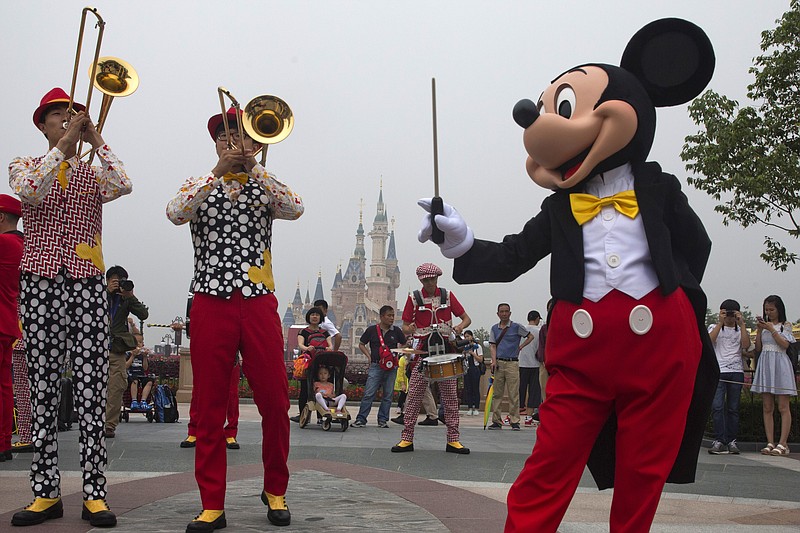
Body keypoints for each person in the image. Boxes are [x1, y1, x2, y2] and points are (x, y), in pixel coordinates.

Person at [167, 105, 303, 530]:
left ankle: (275, 488)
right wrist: (218, 170)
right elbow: (175, 212)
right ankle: (212, 502)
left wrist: (255, 166)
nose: (233, 142)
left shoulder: (265, 187)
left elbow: (296, 206)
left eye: (241, 135)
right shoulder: (200, 185)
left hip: (260, 300)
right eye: (225, 136)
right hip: (210, 300)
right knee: (208, 406)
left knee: (276, 402)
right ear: (214, 143)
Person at [9, 87, 132, 527]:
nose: (67, 120)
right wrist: (62, 147)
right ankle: (45, 493)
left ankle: (95, 492)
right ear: (42, 124)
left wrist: (96, 138)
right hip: (41, 278)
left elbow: (123, 182)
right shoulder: (25, 164)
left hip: (85, 281)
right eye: (58, 116)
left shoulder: (91, 175)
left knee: (91, 389)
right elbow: (28, 190)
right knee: (42, 387)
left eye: (71, 115)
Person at [391, 262, 471, 454]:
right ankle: (406, 439)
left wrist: (459, 328)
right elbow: (405, 325)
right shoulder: (414, 298)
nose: (429, 283)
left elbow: (466, 318)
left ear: (437, 279)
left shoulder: (448, 296)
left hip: (445, 350)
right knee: (414, 396)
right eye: (426, 280)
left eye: (432, 279)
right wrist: (409, 328)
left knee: (450, 397)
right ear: (421, 280)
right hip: (423, 352)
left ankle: (453, 440)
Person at [105, 265, 149, 438]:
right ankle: (94, 421)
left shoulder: (125, 299)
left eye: (120, 280)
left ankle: (109, 425)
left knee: (116, 387)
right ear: (107, 280)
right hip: (94, 348)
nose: (117, 284)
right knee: (94, 387)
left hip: (116, 350)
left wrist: (130, 297)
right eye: (114, 280)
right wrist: (107, 292)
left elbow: (143, 314)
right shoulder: (98, 294)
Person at [752, 295, 796, 457]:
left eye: (772, 309)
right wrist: (759, 330)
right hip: (765, 363)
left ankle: (783, 443)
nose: (769, 312)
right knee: (767, 407)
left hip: (780, 364)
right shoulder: (764, 326)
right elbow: (758, 348)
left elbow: (785, 345)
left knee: (783, 406)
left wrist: (771, 329)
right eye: (766, 310)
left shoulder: (785, 325)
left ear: (779, 309)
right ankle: (770, 441)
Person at [707, 299, 750, 455]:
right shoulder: (714, 327)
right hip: (719, 371)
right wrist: (720, 322)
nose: (730, 317)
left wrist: (742, 324)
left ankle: (731, 440)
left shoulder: (740, 330)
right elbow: (709, 341)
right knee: (717, 407)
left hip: (736, 372)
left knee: (733, 408)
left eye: (732, 313)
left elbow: (745, 345)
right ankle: (719, 439)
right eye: (727, 313)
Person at [352, 305, 406, 428]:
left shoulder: (396, 331)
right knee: (369, 393)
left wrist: (398, 353)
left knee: (388, 394)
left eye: (393, 315)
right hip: (376, 365)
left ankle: (382, 419)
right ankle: (361, 419)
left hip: (391, 367)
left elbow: (404, 343)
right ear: (381, 316)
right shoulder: (372, 330)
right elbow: (361, 344)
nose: (392, 318)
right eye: (389, 315)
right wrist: (369, 356)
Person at [0, 194, 23, 462]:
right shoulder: (21, 244)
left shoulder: (4, 243)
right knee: (5, 387)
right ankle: (4, 440)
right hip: (8, 321)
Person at [180, 354, 242, 451]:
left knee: (231, 394)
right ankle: (194, 431)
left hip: (230, 354)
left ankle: (230, 433)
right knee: (199, 391)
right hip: (206, 353)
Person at [487, 303, 533, 431]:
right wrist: (493, 360)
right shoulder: (494, 328)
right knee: (497, 394)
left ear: (510, 313)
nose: (504, 314)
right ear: (498, 313)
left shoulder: (516, 327)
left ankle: (515, 420)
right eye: (501, 311)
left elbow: (530, 336)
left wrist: (521, 347)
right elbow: (492, 345)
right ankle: (496, 420)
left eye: (506, 311)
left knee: (514, 393)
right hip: (499, 363)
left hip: (512, 363)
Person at [290, 307, 332, 424]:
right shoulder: (303, 331)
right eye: (312, 315)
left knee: (322, 389)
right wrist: (307, 348)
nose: (315, 317)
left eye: (317, 315)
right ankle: (303, 415)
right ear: (308, 317)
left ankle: (321, 415)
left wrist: (329, 348)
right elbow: (300, 344)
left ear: (320, 318)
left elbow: (330, 345)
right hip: (308, 362)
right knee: (305, 389)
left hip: (322, 363)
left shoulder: (324, 332)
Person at [519, 311, 542, 425]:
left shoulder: (521, 329)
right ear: (537, 318)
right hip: (535, 364)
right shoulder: (539, 331)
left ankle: (514, 415)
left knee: (519, 390)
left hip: (521, 363)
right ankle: (528, 416)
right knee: (534, 391)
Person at [126, 334, 155, 410]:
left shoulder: (142, 355)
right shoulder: (128, 354)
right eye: (135, 342)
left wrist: (145, 357)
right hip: (131, 375)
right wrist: (133, 356)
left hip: (141, 375)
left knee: (149, 381)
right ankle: (134, 401)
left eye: (140, 342)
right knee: (134, 380)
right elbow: (126, 366)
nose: (138, 344)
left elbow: (145, 368)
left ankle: (143, 401)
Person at [461, 330, 484, 416]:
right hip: (467, 368)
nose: (467, 338)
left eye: (468, 336)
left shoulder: (478, 347)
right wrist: (464, 353)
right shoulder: (465, 347)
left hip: (475, 368)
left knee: (475, 388)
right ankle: (470, 407)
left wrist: (472, 353)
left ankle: (476, 407)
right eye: (465, 336)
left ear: (471, 336)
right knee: (468, 389)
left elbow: (480, 359)